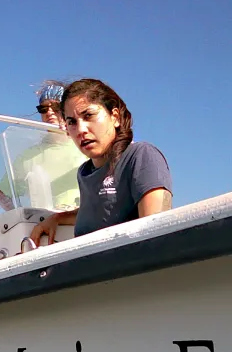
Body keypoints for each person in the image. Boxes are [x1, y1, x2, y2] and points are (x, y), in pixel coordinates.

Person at [29, 79, 172, 245]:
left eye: (88, 115)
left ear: (115, 117)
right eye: (72, 122)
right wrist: (56, 218)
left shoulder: (140, 156)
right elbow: (97, 211)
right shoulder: (85, 173)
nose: (81, 130)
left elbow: (157, 234)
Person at [0, 81, 84, 212]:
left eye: (56, 107)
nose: (49, 112)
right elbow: (1, 194)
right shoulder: (29, 156)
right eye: (43, 109)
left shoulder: (86, 145)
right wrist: (21, 218)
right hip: (46, 226)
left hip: (84, 224)